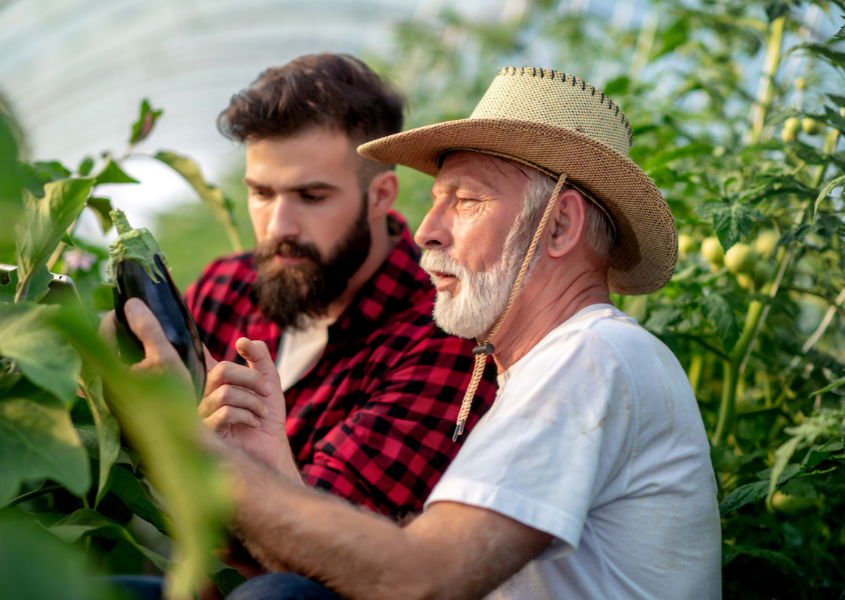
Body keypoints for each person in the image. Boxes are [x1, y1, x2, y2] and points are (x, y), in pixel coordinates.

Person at [127, 66, 722, 599]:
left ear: (559, 226)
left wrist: (195, 447)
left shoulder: (594, 356)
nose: (425, 232)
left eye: (465, 201)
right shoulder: (532, 369)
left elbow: (419, 578)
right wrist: (274, 469)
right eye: (436, 200)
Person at [185, 52, 497, 520]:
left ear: (380, 195)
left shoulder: (442, 340)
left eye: (311, 197)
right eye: (261, 194)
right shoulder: (225, 287)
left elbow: (316, 553)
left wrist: (173, 434)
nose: (279, 226)